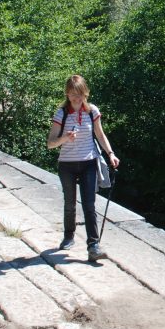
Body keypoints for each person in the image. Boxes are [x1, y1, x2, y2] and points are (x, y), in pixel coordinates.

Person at [46, 75, 119, 263]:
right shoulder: (61, 113)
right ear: (67, 94)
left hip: (88, 162)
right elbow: (50, 143)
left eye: (78, 95)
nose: (75, 99)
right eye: (72, 95)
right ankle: (69, 236)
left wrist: (110, 153)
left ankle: (93, 246)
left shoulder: (92, 111)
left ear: (85, 93)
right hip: (67, 165)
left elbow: (100, 134)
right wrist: (65, 139)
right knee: (70, 203)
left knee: (89, 205)